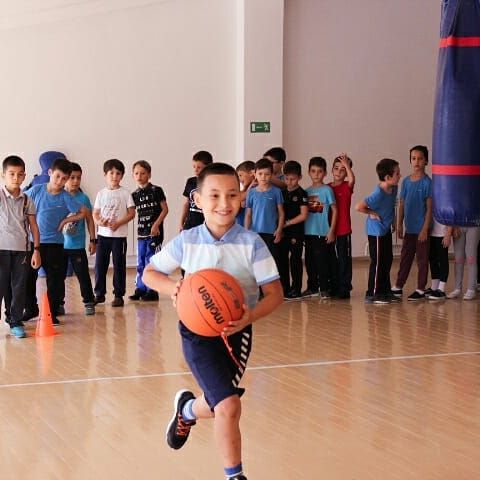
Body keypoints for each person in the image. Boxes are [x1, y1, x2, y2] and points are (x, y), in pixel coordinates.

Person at [143, 162, 283, 480]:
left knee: (219, 402)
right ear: (198, 200)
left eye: (232, 194)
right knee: (229, 405)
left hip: (237, 333)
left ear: (242, 197)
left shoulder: (252, 243)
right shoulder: (187, 240)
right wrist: (173, 287)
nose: (224, 203)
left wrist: (249, 316)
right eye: (215, 195)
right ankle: (234, 475)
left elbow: (275, 295)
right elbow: (150, 273)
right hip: (197, 334)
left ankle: (187, 410)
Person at [24, 158, 86, 325]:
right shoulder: (36, 190)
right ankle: (30, 308)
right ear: (50, 173)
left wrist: (66, 220)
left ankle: (51, 312)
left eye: (64, 179)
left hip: (55, 244)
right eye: (57, 176)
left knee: (55, 280)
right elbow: (22, 204)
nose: (60, 181)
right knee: (28, 277)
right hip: (33, 243)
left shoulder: (66, 197)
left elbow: (83, 212)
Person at [0, 156, 41, 338]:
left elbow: (34, 227)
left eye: (20, 174)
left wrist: (36, 251)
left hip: (22, 251)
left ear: (24, 176)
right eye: (11, 174)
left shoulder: (27, 200)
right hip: (1, 251)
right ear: (3, 175)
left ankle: (15, 321)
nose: (16, 178)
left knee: (19, 288)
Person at [355, 158, 401, 304]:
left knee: (387, 260)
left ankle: (385, 291)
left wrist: (393, 222)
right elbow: (358, 207)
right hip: (376, 231)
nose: (400, 176)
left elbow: (391, 206)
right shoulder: (378, 194)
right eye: (397, 174)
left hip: (385, 229)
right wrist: (372, 212)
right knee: (378, 262)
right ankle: (373, 293)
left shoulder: (394, 188)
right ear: (387, 177)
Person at [391, 146, 432, 300]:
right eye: (413, 158)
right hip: (409, 229)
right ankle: (398, 286)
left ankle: (420, 289)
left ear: (426, 161)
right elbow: (402, 204)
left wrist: (425, 229)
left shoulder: (428, 183)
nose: (416, 162)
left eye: (420, 158)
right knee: (405, 258)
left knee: (422, 260)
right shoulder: (406, 182)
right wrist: (399, 224)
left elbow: (430, 208)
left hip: (422, 230)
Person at [93, 159, 135, 307]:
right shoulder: (101, 194)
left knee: (119, 265)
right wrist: (99, 222)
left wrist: (118, 223)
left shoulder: (125, 193)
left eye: (118, 173)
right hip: (103, 236)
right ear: (105, 174)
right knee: (100, 265)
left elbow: (131, 213)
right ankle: (99, 294)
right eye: (111, 173)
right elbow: (95, 213)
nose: (114, 176)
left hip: (119, 237)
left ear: (122, 176)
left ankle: (118, 295)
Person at [59, 162, 97, 316]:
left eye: (78, 178)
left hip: (77, 246)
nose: (75, 181)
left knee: (83, 275)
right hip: (59, 245)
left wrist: (93, 240)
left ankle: (88, 301)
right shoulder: (59, 196)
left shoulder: (83, 198)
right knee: (58, 277)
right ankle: (58, 303)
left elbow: (89, 220)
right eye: (72, 177)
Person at [129, 160, 169, 301]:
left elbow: (165, 209)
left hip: (154, 233)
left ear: (149, 174)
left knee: (151, 261)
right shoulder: (134, 195)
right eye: (136, 173)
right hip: (141, 233)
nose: (139, 176)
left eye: (143, 173)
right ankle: (141, 288)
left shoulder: (156, 190)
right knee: (140, 261)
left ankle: (152, 290)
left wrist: (156, 225)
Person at [303, 156, 337, 298]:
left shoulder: (327, 190)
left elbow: (335, 210)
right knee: (309, 261)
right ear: (308, 172)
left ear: (325, 173)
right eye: (313, 171)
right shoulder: (306, 191)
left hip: (322, 232)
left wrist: (331, 230)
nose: (316, 174)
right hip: (308, 233)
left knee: (322, 261)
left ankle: (324, 288)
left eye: (320, 171)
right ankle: (312, 287)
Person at [244, 158, 284, 263]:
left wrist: (279, 230)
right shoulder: (251, 192)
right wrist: (246, 231)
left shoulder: (277, 192)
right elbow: (248, 214)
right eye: (260, 174)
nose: (263, 177)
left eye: (267, 174)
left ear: (271, 175)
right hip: (255, 233)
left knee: (271, 262)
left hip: (272, 233)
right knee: (256, 261)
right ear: (255, 174)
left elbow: (281, 213)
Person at [278, 160, 308, 299]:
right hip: (283, 232)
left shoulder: (302, 193)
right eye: (287, 178)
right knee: (282, 260)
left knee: (295, 261)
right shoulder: (281, 193)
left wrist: (288, 223)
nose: (289, 182)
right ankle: (284, 288)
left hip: (296, 232)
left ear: (299, 177)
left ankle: (296, 289)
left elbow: (304, 215)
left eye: (293, 179)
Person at [329, 153, 355, 299]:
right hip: (329, 230)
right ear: (331, 170)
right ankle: (334, 286)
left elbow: (352, 179)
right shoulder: (327, 188)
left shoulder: (346, 186)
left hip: (343, 230)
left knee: (344, 259)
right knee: (332, 259)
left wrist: (347, 165)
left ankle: (345, 288)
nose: (339, 172)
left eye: (343, 169)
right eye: (336, 168)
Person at [179, 151, 213, 231]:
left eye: (199, 167)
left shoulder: (213, 182)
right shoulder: (191, 181)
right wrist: (181, 222)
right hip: (191, 221)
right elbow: (186, 203)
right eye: (194, 167)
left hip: (207, 221)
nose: (196, 170)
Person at [447, 226, 480, 300]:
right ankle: (457, 289)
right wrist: (454, 225)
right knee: (458, 259)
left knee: (471, 259)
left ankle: (471, 289)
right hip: (458, 226)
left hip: (473, 225)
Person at [425, 218, 451, 300]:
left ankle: (441, 289)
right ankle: (434, 286)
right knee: (432, 259)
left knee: (443, 260)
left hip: (443, 233)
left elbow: (450, 214)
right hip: (432, 232)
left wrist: (448, 233)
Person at [235, 161, 255, 227]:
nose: (239, 179)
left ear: (251, 173)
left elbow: (243, 204)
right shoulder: (247, 188)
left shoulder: (256, 187)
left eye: (240, 175)